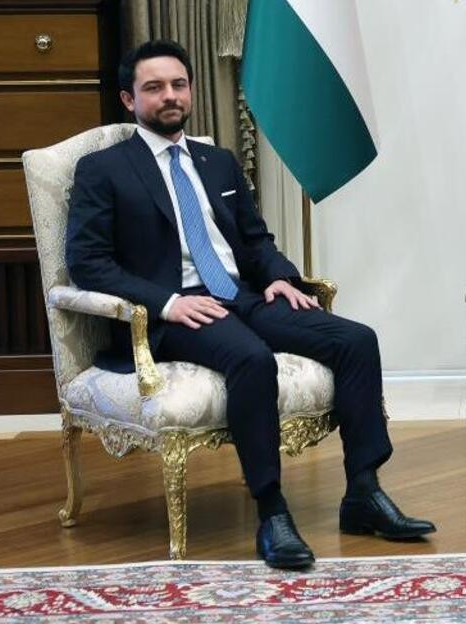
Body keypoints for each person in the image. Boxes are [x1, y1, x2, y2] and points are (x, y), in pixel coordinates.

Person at [66, 39, 434, 569]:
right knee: (251, 359)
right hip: (175, 312)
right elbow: (88, 262)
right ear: (129, 99)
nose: (170, 96)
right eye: (154, 88)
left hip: (241, 296)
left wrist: (281, 278)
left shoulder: (217, 162)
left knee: (356, 340)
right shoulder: (104, 169)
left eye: (178, 85)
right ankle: (272, 511)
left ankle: (363, 492)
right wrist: (167, 303)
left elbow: (255, 239)